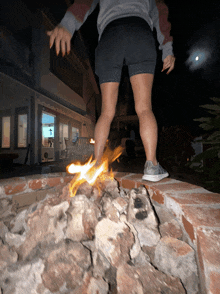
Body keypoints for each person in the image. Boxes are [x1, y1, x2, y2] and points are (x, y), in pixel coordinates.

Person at [47, 0, 175, 182]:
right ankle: (152, 165)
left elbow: (85, 2)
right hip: (139, 32)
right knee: (144, 108)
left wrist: (68, 25)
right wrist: (167, 49)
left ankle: (97, 165)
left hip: (110, 37)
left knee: (106, 112)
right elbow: (160, 12)